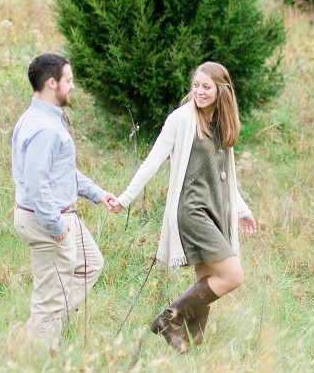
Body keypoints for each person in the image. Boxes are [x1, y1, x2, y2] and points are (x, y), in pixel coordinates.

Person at [109, 61, 257, 353]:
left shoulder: (221, 123)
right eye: (196, 86)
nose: (199, 92)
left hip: (216, 210)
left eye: (206, 87)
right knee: (232, 276)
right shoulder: (181, 119)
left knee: (206, 279)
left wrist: (241, 210)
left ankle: (188, 347)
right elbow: (153, 161)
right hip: (192, 210)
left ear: (221, 90)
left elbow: (224, 176)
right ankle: (169, 318)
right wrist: (125, 197)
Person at [11, 53, 118, 346]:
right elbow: (37, 185)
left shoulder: (41, 118)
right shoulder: (44, 128)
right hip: (46, 218)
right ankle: (36, 352)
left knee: (91, 263)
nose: (72, 86)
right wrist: (56, 227)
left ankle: (38, 329)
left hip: (57, 214)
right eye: (68, 81)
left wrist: (97, 194)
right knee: (50, 296)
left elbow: (61, 172)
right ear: (51, 83)